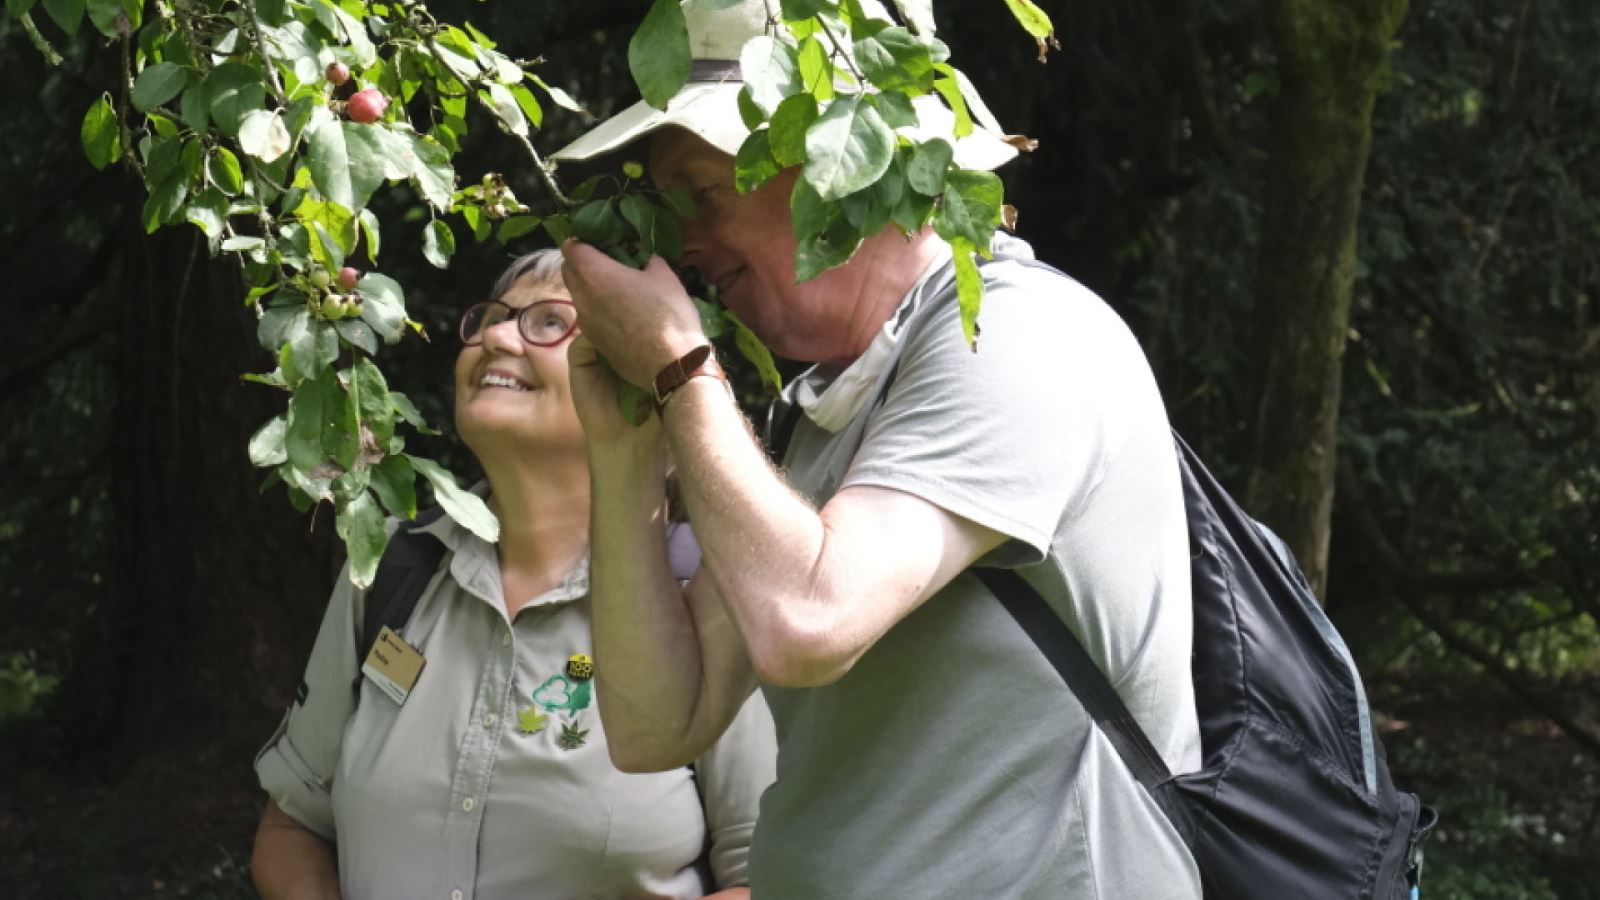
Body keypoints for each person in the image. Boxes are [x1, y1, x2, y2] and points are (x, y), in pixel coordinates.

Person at [552, 1, 1204, 898]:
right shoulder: (832, 407)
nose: (685, 249)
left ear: (846, 163)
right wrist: (627, 449)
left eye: (702, 193)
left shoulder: (1020, 334)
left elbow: (810, 622)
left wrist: (680, 371)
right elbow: (658, 724)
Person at [250, 249, 776, 900]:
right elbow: (293, 825)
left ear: (636, 385)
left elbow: (775, 877)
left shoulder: (709, 595)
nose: (496, 337)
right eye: (491, 320)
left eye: (551, 322)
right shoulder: (391, 571)